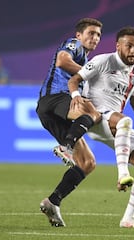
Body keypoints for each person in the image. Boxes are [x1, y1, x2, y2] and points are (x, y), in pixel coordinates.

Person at [67, 26, 134, 228]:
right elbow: (75, 80)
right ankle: (122, 174)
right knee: (124, 121)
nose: (133, 51)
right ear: (118, 46)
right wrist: (76, 98)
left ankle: (128, 218)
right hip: (95, 117)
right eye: (129, 46)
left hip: (116, 127)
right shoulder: (103, 61)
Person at [36, 18, 103, 227]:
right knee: (93, 113)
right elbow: (62, 61)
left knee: (88, 163)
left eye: (98, 35)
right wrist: (87, 74)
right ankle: (66, 146)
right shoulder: (73, 46)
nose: (95, 38)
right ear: (79, 35)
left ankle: (53, 202)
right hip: (55, 99)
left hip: (53, 113)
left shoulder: (86, 60)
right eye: (91, 33)